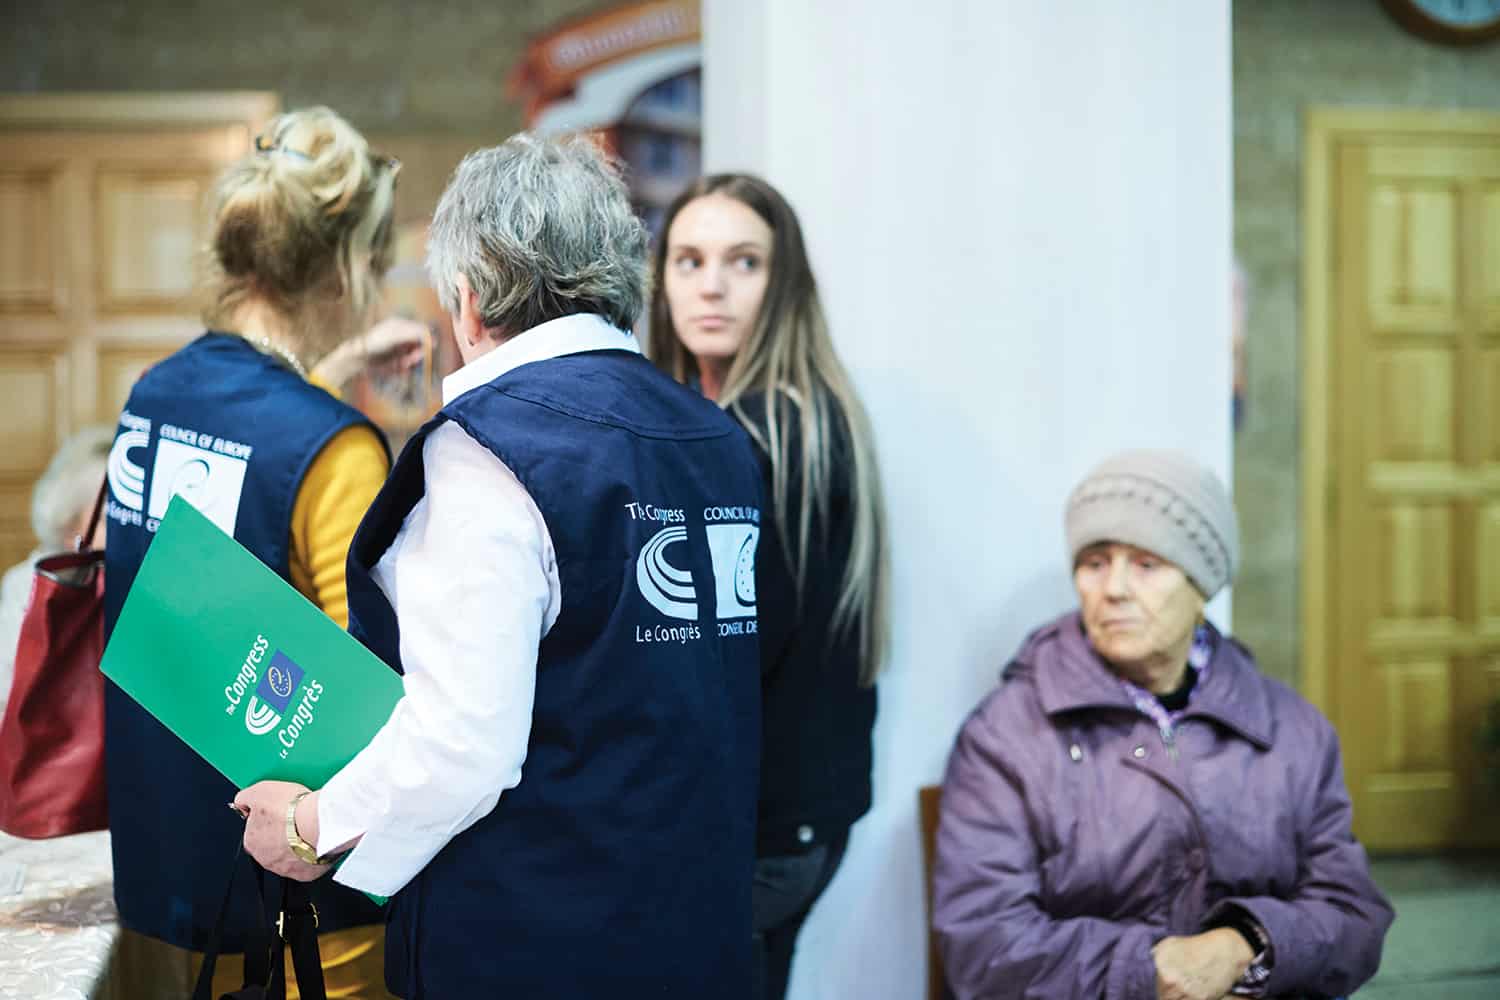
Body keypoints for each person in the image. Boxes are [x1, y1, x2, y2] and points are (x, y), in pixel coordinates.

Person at [235, 134, 765, 999]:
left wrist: (308, 824)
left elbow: (462, 746)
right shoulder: (715, 439)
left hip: (534, 943)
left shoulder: (488, 454)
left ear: (469, 300)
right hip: (693, 931)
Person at [103, 106, 419, 998]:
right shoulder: (336, 448)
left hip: (171, 876)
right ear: (353, 265)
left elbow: (226, 524)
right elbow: (364, 715)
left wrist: (336, 370)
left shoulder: (154, 396)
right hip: (306, 919)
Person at [933, 449, 1393, 1000]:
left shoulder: (1292, 731)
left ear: (1202, 588)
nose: (1115, 589)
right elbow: (985, 946)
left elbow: (1351, 914)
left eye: (1147, 564)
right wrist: (1150, 973)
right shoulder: (1005, 736)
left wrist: (1245, 944)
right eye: (1095, 562)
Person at [649, 174, 889, 999]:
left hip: (762, 828)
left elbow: (721, 653)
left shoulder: (757, 432)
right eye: (688, 260)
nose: (710, 284)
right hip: (799, 820)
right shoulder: (805, 413)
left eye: (742, 262)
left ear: (781, 286)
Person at [0, 426, 112, 722]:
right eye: (103, 519)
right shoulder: (28, 585)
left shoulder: (125, 579)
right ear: (69, 525)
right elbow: (7, 692)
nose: (119, 533)